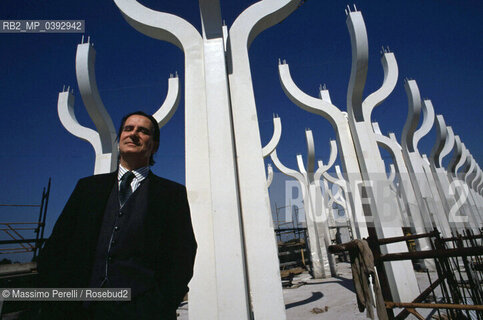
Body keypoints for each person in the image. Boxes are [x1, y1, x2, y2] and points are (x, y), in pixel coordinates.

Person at [35, 111, 197, 319]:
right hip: (81, 309)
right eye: (128, 129)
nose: (133, 134)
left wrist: (160, 303)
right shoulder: (87, 188)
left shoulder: (171, 193)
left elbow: (182, 254)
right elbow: (57, 245)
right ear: (119, 138)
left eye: (143, 131)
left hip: (143, 311)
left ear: (154, 145)